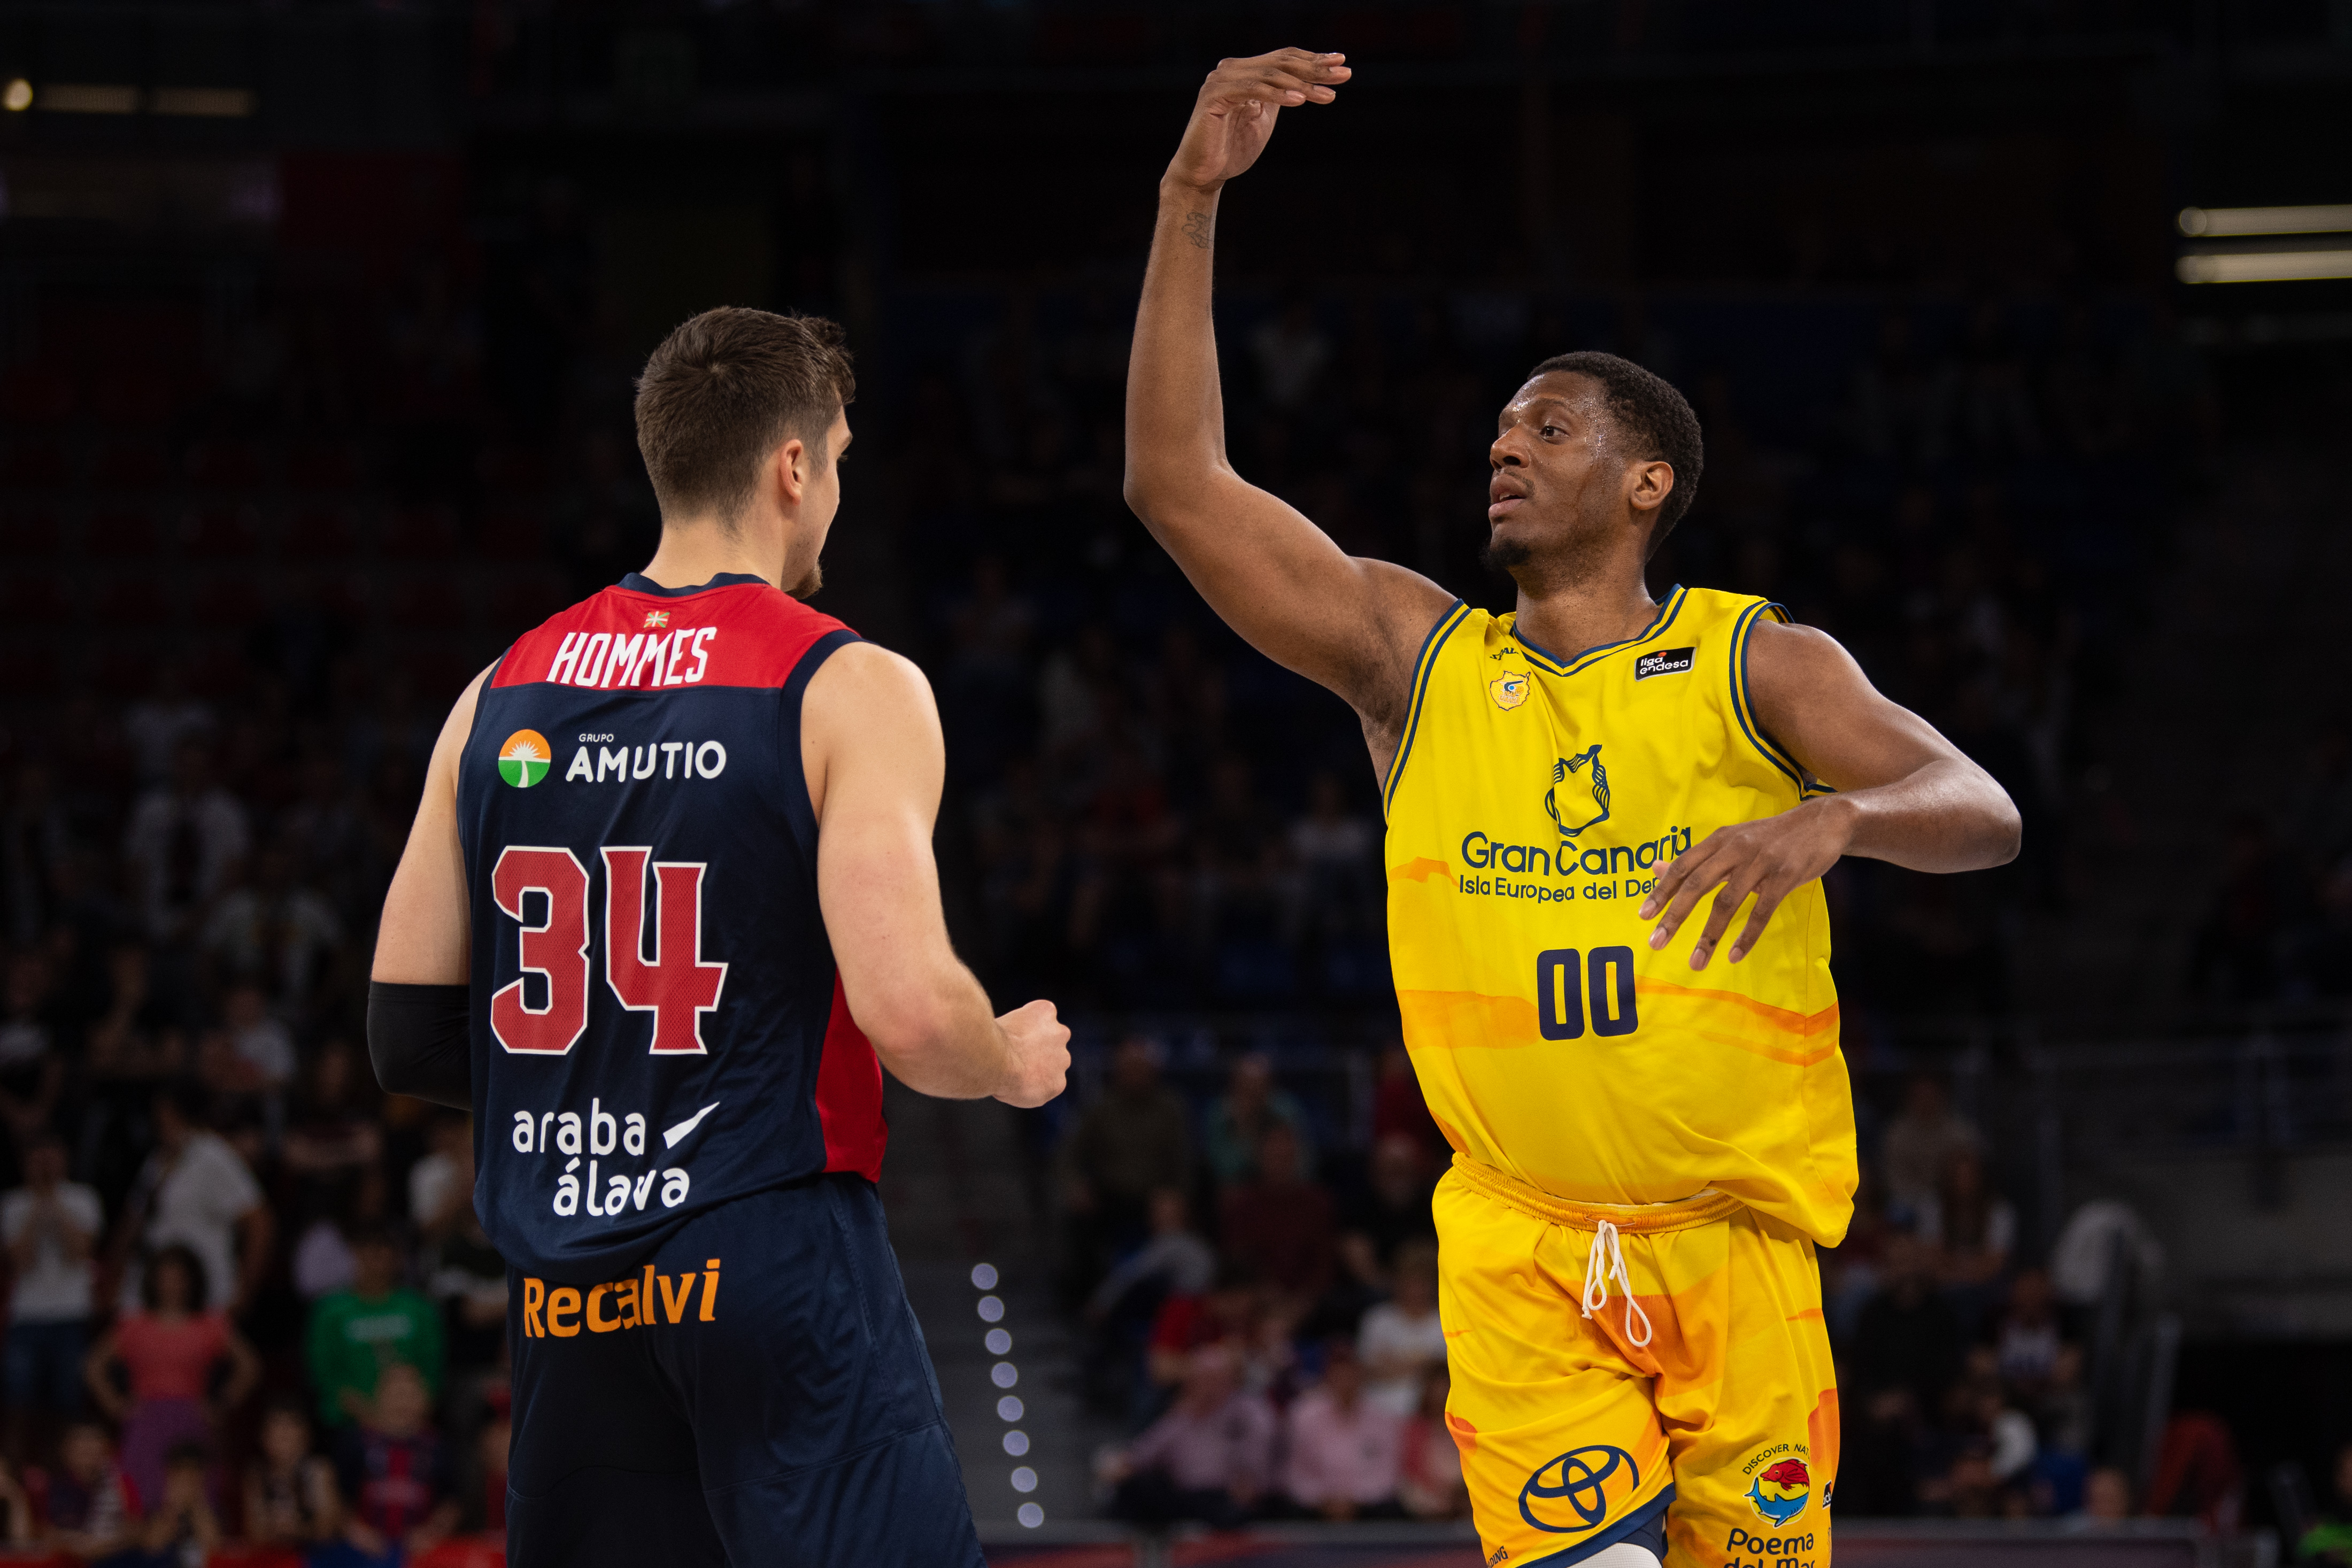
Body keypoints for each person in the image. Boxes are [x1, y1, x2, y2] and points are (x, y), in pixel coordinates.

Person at [1122, 49, 2023, 1568]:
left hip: (1733, 1252)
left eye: (1545, 429)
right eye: (1497, 430)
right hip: (1521, 1245)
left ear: (1644, 481)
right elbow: (1174, 482)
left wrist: (1838, 821)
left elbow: (1979, 805)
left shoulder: (1756, 661)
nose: (1502, 447)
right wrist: (1188, 197)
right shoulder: (1412, 658)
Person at [368, 306, 1069, 1568]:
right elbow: (912, 1014)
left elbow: (406, 1032)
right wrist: (1006, 1061)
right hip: (767, 1248)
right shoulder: (845, 681)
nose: (837, 496)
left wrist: (617, 1091)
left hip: (569, 1286)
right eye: (838, 460)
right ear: (792, 466)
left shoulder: (498, 690)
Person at [83, 1242, 259, 1511]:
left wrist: (221, 1403)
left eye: (179, 1278)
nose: (171, 1285)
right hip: (146, 1420)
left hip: (191, 1418)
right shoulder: (135, 1324)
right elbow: (95, 1366)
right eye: (165, 1277)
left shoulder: (209, 1324)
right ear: (153, 1280)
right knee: (142, 1494)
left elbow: (249, 1366)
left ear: (192, 1281)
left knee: (195, 1496)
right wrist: (116, 1405)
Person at [117, 1083, 272, 1321]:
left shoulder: (213, 1156)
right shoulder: (156, 1161)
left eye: (167, 1113)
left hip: (207, 1295)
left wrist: (245, 1292)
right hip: (157, 1296)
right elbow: (134, 1222)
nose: (161, 1121)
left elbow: (259, 1223)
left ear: (183, 1114)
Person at [2, 1132, 103, 1455]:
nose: (44, 1166)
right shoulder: (13, 1204)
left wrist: (53, 1200)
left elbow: (79, 1252)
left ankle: (68, 1470)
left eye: (51, 1158)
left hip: (72, 1313)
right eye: (37, 1160)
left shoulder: (83, 1199)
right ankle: (12, 1471)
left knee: (69, 1399)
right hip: (27, 1315)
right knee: (17, 1399)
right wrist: (38, 1203)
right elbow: (21, 1260)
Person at [1105, 1343, 1276, 1530]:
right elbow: (1144, 1453)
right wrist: (1124, 1466)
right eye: (1201, 1378)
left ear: (1230, 1380)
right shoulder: (1183, 1415)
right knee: (1134, 1490)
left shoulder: (1246, 1412)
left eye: (1214, 1378)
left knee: (1236, 1512)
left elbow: (1258, 1452)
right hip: (1185, 1497)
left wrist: (1249, 1482)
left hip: (1225, 1497)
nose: (1206, 1386)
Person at [307, 1226, 444, 1427]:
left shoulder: (418, 1308)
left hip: (413, 1423)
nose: (376, 1261)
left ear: (396, 1258)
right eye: (368, 1252)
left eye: (382, 1252)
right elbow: (324, 1376)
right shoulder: (330, 1312)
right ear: (355, 1255)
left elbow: (433, 1372)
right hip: (348, 1425)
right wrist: (370, 1415)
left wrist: (406, 1411)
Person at [334, 1363, 459, 1565]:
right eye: (395, 1395)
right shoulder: (356, 1442)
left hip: (422, 1553)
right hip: (362, 1552)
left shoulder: (438, 1447)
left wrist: (432, 1532)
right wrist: (355, 1531)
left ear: (425, 1401)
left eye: (410, 1395)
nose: (402, 1403)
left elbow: (451, 1502)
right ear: (379, 1398)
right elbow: (338, 1497)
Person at [1281, 1339, 1404, 1521]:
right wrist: (1324, 1499)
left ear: (1360, 1375)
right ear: (1327, 1376)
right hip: (1316, 1505)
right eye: (1338, 1373)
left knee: (1391, 1510)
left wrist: (1354, 1499)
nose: (1345, 1380)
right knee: (1288, 1508)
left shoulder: (1383, 1418)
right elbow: (1295, 1473)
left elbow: (1387, 1475)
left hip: (1367, 1507)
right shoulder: (1303, 1415)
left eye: (1350, 1373)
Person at [243, 1401, 344, 1556]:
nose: (284, 1434)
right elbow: (255, 1532)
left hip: (314, 1559)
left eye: (291, 1427)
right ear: (264, 1437)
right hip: (273, 1559)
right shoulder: (257, 1476)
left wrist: (298, 1529)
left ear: (306, 1435)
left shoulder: (318, 1470)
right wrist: (274, 1530)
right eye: (276, 1427)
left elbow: (328, 1527)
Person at [1358, 1240, 1446, 1417]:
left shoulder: (1444, 1323)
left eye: (1422, 1282)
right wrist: (1425, 1365)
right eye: (1411, 1281)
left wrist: (1396, 1365)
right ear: (1398, 1282)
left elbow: (1444, 1378)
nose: (1416, 1289)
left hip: (1430, 1418)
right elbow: (1365, 1371)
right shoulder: (1379, 1320)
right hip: (1380, 1412)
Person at [43, 1419, 137, 1558]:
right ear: (66, 1449)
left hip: (113, 1557)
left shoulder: (121, 1482)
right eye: (80, 1441)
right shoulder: (52, 1486)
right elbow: (46, 1533)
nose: (87, 1448)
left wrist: (103, 1546)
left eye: (93, 1441)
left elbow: (136, 1528)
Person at [127, 1440, 220, 1567]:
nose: (186, 1483)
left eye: (192, 1476)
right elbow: (152, 1545)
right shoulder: (156, 1513)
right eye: (180, 1475)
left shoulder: (211, 1513)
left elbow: (215, 1547)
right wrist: (173, 1507)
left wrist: (197, 1505)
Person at [1397, 1368, 1467, 1520]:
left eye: (1445, 1389)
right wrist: (1439, 1491)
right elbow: (1413, 1468)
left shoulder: (1466, 1426)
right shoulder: (1416, 1429)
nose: (1440, 1397)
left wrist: (1459, 1491)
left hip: (1464, 1493)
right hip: (1428, 1493)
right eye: (1436, 1391)